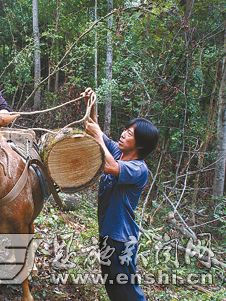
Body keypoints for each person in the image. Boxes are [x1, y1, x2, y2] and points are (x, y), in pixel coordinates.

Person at [83, 88, 158, 301]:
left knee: (127, 291)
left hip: (120, 240)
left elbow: (109, 165)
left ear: (141, 144)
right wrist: (92, 104)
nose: (124, 133)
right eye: (126, 129)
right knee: (114, 289)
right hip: (108, 236)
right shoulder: (118, 152)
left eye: (130, 133)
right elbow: (93, 130)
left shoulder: (138, 168)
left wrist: (98, 136)